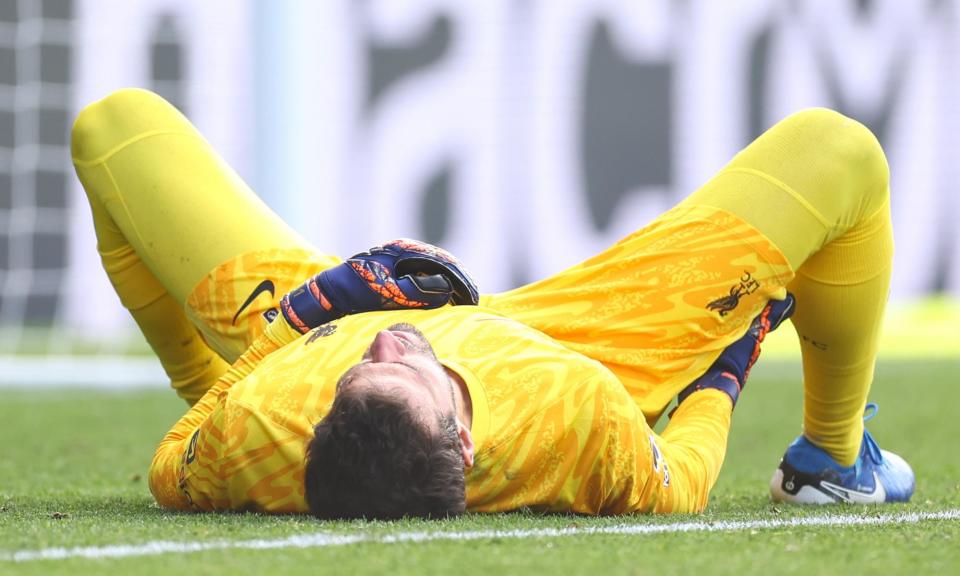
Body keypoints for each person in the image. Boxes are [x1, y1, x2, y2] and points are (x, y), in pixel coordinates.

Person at [71, 88, 913, 518]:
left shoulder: (262, 429)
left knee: (110, 128)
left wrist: (312, 314)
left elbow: (173, 455)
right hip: (587, 332)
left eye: (365, 370)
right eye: (409, 372)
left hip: (300, 327)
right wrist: (720, 378)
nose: (392, 345)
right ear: (462, 435)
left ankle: (218, 368)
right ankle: (832, 462)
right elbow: (679, 487)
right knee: (842, 153)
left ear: (318, 426)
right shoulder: (576, 413)